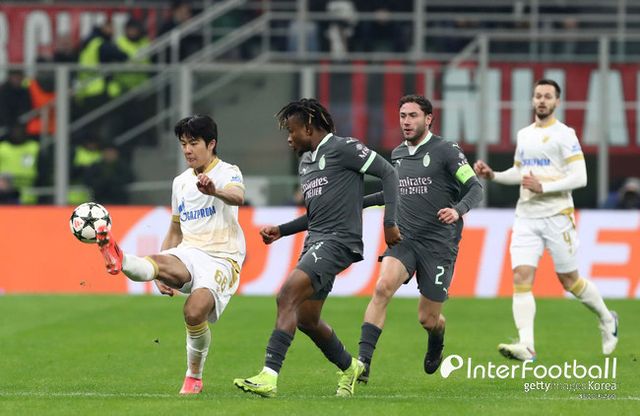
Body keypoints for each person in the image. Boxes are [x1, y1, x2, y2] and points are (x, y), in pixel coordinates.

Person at [233, 98, 401, 398]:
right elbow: (317, 215)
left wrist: (390, 223)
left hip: (339, 240)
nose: (288, 137)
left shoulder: (345, 148)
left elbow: (389, 172)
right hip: (316, 240)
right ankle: (350, 367)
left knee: (286, 295)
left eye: (291, 130)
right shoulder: (306, 163)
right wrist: (282, 230)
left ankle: (269, 376)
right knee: (307, 319)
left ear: (308, 128)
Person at [96, 114, 246, 394]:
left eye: (194, 143)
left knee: (194, 312)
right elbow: (175, 230)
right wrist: (159, 274)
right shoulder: (180, 182)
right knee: (155, 262)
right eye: (183, 144)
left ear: (211, 144)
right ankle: (119, 257)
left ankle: (194, 376)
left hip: (222, 257)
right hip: (189, 251)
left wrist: (215, 191)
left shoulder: (227, 171)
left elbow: (238, 196)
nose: (187, 150)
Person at [473, 79, 618, 361]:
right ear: (532, 100)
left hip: (557, 215)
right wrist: (494, 175)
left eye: (548, 96)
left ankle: (607, 318)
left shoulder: (565, 135)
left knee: (570, 281)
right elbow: (520, 172)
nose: (542, 100)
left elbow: (580, 177)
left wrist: (544, 187)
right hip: (526, 217)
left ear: (557, 102)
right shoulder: (524, 134)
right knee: (521, 277)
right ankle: (527, 345)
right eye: (538, 95)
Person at [356, 95, 483, 382]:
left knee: (428, 318)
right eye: (402, 116)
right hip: (405, 238)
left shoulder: (447, 150)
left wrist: (458, 210)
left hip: (438, 245)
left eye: (413, 115)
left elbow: (475, 188)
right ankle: (362, 363)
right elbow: (395, 192)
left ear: (428, 119)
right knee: (382, 288)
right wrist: (358, 202)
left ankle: (437, 337)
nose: (406, 121)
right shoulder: (398, 153)